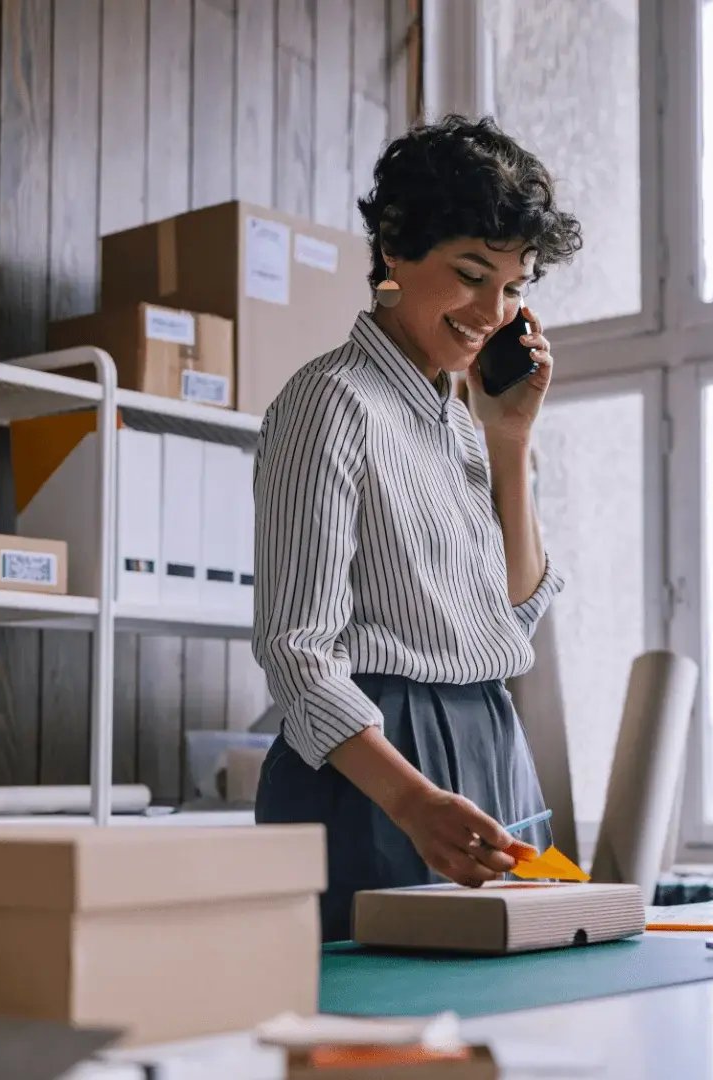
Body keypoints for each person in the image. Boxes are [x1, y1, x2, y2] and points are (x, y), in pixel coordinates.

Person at [251, 115, 583, 941]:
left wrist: (510, 441)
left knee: (500, 1028)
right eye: (471, 274)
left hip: (490, 743)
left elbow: (511, 619)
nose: (491, 311)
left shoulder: (465, 420)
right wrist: (410, 799)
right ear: (395, 252)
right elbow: (297, 652)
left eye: (513, 287)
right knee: (371, 1036)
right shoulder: (330, 402)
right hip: (374, 769)